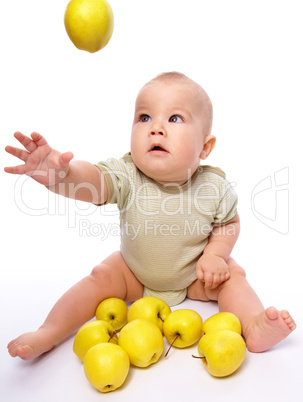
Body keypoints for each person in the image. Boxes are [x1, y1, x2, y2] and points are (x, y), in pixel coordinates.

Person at [5, 72, 296, 361]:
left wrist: (215, 255)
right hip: (133, 273)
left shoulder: (214, 186)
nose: (155, 128)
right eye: (144, 117)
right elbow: (93, 182)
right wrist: (63, 176)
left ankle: (253, 324)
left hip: (195, 273)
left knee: (233, 277)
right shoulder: (128, 175)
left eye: (175, 118)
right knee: (101, 276)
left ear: (205, 147)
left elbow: (229, 223)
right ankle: (49, 331)